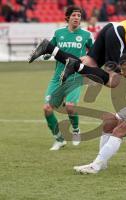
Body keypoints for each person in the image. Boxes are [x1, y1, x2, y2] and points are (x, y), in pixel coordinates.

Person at [43, 5, 94, 150]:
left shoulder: (86, 35)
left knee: (70, 107)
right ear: (68, 17)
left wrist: (88, 57)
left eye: (79, 15)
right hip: (58, 78)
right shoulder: (58, 33)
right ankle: (59, 139)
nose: (77, 18)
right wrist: (46, 53)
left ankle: (76, 130)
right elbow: (49, 50)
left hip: (75, 77)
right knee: (47, 109)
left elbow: (95, 52)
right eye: (74, 15)